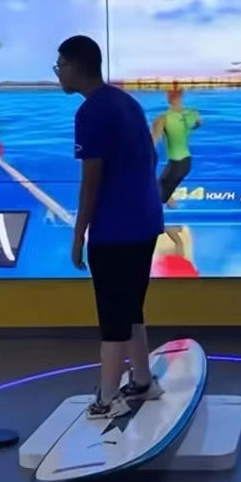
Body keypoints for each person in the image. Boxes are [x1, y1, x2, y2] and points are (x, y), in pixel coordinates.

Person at [55, 35, 165, 419]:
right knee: (131, 306)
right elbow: (150, 158)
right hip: (145, 223)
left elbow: (91, 182)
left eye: (60, 66)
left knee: (113, 317)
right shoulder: (126, 102)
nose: (58, 73)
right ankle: (143, 381)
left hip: (116, 231)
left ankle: (107, 399)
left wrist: (78, 235)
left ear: (76, 67)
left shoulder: (91, 113)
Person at [152, 89, 200, 208]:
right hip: (186, 162)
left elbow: (150, 145)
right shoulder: (192, 114)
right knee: (165, 196)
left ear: (168, 97)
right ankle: (174, 211)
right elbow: (197, 124)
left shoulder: (162, 119)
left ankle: (171, 213)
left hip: (175, 165)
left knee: (157, 197)